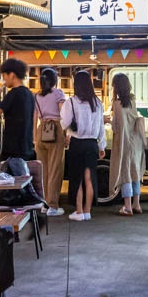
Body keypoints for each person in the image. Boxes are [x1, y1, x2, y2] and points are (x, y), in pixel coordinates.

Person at [60, 70, 106, 221]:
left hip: (77, 143)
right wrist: (102, 146)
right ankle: (87, 211)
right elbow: (101, 127)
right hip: (92, 143)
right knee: (89, 177)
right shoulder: (97, 103)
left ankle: (79, 211)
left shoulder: (71, 102)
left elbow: (65, 123)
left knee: (77, 178)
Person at [109, 73, 146, 216]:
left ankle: (127, 207)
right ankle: (137, 205)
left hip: (123, 143)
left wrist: (108, 121)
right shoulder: (132, 100)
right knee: (135, 173)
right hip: (135, 142)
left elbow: (116, 127)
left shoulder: (116, 104)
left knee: (125, 174)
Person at [33, 68, 67, 215]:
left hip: (41, 131)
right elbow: (64, 114)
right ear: (54, 80)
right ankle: (52, 206)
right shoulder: (58, 94)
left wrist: (35, 138)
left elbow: (34, 118)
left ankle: (44, 204)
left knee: (43, 171)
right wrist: (66, 134)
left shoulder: (37, 96)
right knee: (55, 170)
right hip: (55, 130)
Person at [0, 58, 35, 161]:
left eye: (4, 75)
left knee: (8, 177)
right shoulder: (30, 94)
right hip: (26, 148)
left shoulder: (13, 94)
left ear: (12, 75)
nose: (3, 79)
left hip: (13, 151)